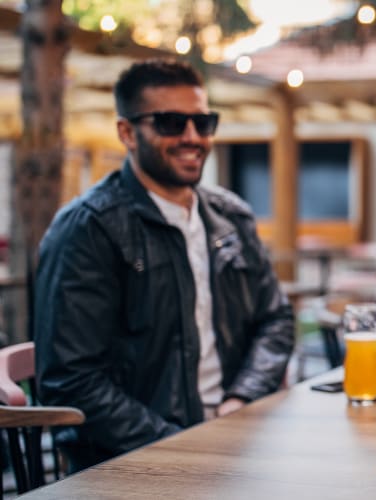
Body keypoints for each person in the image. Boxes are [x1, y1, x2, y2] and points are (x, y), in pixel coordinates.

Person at [33, 60, 294, 471]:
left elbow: (276, 319)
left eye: (203, 122)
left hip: (239, 442)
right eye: (171, 122)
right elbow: (71, 380)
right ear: (127, 133)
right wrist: (179, 445)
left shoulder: (232, 216)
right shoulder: (88, 229)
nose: (193, 137)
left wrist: (241, 400)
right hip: (132, 464)